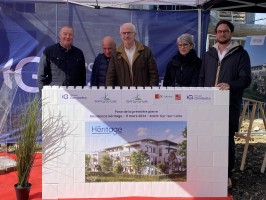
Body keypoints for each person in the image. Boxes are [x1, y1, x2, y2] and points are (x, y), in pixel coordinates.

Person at [198, 20, 251, 188]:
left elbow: (246, 79)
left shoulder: (241, 54)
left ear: (231, 33)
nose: (222, 34)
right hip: (207, 105)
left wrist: (230, 84)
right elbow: (201, 77)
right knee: (207, 139)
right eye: (219, 31)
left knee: (226, 141)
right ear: (215, 33)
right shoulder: (209, 54)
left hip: (229, 105)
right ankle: (208, 171)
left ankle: (226, 175)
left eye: (225, 31)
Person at [105, 22, 159, 87]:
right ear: (120, 35)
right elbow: (110, 77)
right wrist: (111, 93)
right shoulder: (115, 54)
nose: (126, 36)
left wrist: (149, 92)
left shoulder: (146, 51)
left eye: (129, 33)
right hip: (122, 94)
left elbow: (154, 75)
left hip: (142, 94)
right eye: (124, 33)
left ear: (134, 34)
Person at [38, 25, 86, 90]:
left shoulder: (79, 53)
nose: (68, 37)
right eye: (65, 34)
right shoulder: (49, 51)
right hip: (55, 94)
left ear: (73, 37)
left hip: (74, 95)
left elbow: (82, 77)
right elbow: (41, 76)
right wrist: (43, 95)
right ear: (59, 35)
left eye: (70, 35)